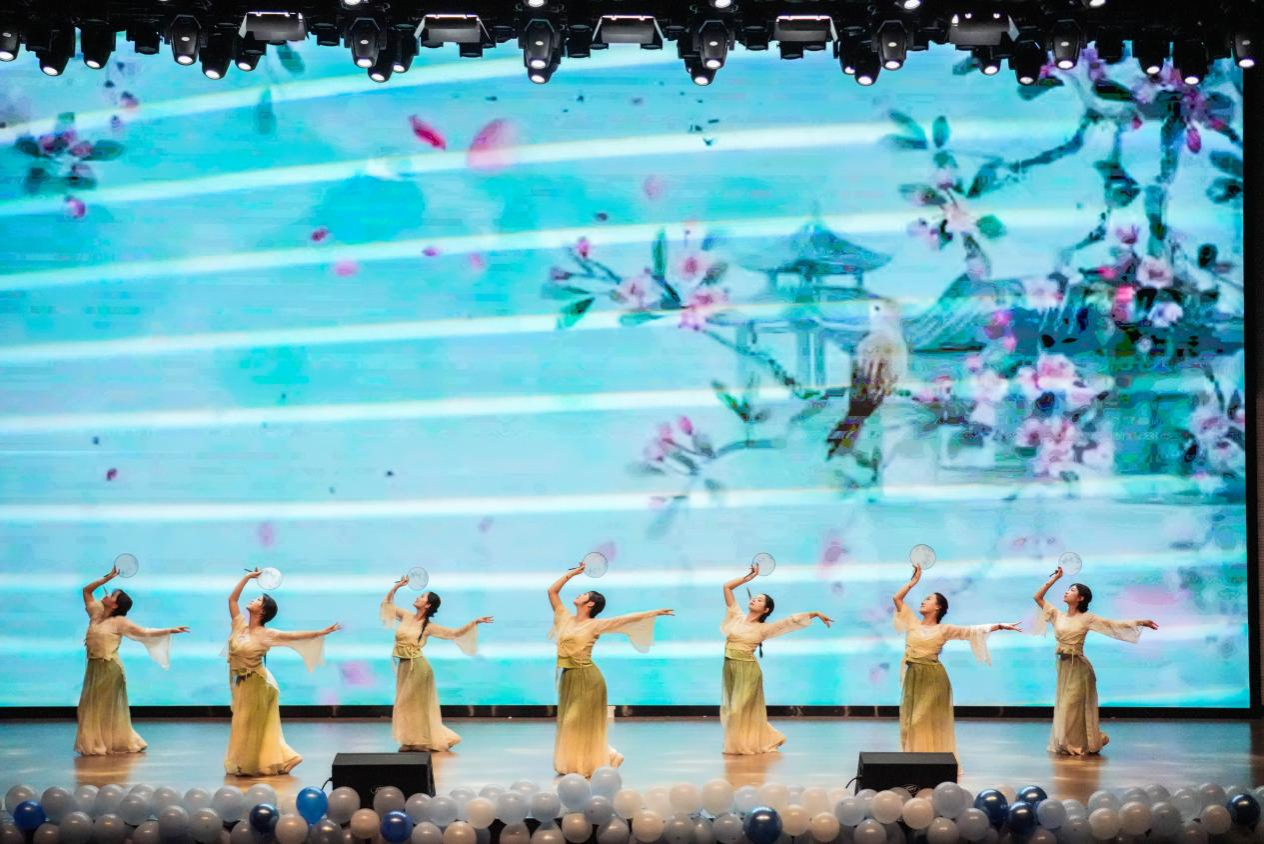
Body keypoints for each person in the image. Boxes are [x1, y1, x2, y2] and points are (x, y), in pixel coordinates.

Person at [548, 560, 674, 776]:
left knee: (574, 722)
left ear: (590, 604)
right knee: (574, 724)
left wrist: (653, 612)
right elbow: (552, 591)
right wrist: (573, 573)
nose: (579, 595)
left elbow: (623, 619)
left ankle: (608, 755)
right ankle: (604, 757)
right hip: (569, 677)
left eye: (584, 594)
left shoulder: (595, 625)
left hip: (588, 678)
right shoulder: (565, 619)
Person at [224, 568, 341, 776]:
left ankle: (250, 763)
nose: (253, 600)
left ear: (262, 611)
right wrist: (248, 577)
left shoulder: (267, 634)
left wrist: (321, 632)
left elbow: (294, 636)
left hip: (259, 684)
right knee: (245, 723)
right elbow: (232, 600)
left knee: (251, 725)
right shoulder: (239, 626)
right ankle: (287, 758)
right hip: (243, 682)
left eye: (258, 600)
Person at [893, 563, 1019, 753]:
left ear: (938, 607)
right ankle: (914, 757)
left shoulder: (945, 629)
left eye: (928, 599)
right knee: (910, 722)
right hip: (913, 677)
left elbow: (972, 630)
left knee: (920, 720)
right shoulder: (912, 623)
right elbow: (897, 598)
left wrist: (1000, 625)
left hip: (933, 678)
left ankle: (929, 759)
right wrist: (913, 581)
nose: (923, 601)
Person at [1033, 566, 1159, 755]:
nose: (1067, 592)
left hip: (1080, 668)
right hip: (1065, 667)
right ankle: (1069, 741)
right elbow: (1038, 597)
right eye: (1068, 589)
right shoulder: (1057, 615)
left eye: (1072, 590)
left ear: (1080, 598)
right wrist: (1055, 578)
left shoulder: (1087, 618)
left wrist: (1140, 622)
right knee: (1065, 706)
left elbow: (1113, 625)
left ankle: (1080, 743)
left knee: (1073, 706)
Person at [76, 566, 190, 756]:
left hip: (110, 668)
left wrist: (170, 630)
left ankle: (106, 742)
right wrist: (108, 577)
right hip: (94, 667)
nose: (107, 595)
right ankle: (96, 742)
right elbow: (86, 591)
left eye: (112, 595)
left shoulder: (119, 622)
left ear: (115, 606)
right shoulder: (96, 612)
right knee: (90, 707)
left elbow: (145, 632)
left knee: (103, 708)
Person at [720, 564, 833, 755]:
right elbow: (727, 587)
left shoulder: (765, 629)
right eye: (755, 597)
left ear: (766, 610)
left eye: (760, 600)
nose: (755, 600)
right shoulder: (736, 616)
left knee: (738, 710)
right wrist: (749, 577)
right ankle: (755, 740)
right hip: (730, 667)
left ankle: (752, 742)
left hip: (748, 671)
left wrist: (814, 613)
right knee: (733, 709)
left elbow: (789, 621)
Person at [381, 577, 493, 751]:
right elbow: (387, 605)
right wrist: (396, 587)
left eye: (422, 597)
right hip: (404, 666)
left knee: (416, 705)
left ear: (427, 605)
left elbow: (454, 633)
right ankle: (411, 740)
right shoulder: (405, 616)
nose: (418, 597)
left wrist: (474, 622)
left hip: (418, 668)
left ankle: (420, 740)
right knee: (405, 704)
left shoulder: (428, 627)